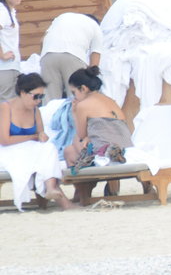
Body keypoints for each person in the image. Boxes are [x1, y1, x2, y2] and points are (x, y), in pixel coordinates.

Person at [0, 73, 75, 210]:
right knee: (41, 157)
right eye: (36, 96)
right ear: (23, 93)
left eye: (42, 96)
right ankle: (60, 199)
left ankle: (51, 187)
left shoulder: (35, 111)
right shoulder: (6, 107)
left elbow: (40, 135)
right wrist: (32, 137)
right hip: (8, 151)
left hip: (29, 150)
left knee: (48, 148)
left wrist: (41, 136)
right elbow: (4, 140)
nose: (38, 100)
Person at [63, 66, 132, 196]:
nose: (74, 97)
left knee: (70, 150)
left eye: (74, 92)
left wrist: (74, 112)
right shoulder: (111, 101)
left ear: (83, 88)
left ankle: (82, 191)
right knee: (84, 141)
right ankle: (110, 185)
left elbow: (81, 134)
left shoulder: (83, 105)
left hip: (105, 151)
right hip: (126, 147)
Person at [40, 13, 104, 102]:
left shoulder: (62, 16)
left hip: (48, 55)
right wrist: (90, 78)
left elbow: (42, 41)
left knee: (50, 100)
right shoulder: (96, 27)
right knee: (76, 97)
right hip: (74, 55)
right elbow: (95, 56)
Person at [0, 0, 23, 102]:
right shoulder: (2, 11)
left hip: (11, 66)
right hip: (4, 68)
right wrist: (2, 55)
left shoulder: (10, 11)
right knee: (6, 104)